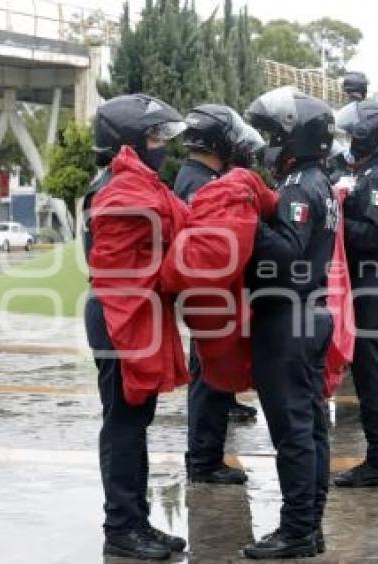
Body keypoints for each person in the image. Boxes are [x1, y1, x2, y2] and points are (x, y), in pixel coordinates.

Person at [84, 93, 188, 561]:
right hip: (117, 316)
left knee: (134, 421)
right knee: (123, 424)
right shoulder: (120, 189)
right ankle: (121, 527)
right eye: (152, 136)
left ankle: (137, 520)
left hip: (132, 310)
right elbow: (172, 228)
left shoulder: (130, 183)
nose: (161, 145)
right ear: (126, 140)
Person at [242, 86, 337, 559]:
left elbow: (287, 256)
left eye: (273, 134)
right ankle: (310, 523)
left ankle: (298, 528)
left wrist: (248, 219)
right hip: (311, 314)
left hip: (290, 316)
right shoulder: (317, 181)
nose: (268, 144)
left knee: (294, 429)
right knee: (311, 423)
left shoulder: (301, 186)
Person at [175, 104, 255, 486]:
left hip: (211, 294)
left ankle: (207, 456)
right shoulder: (201, 183)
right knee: (208, 377)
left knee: (212, 375)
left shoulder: (196, 176)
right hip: (211, 295)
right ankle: (204, 461)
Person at [333, 99, 378, 488]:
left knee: (373, 377)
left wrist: (338, 218)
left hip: (374, 287)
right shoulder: (373, 173)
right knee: (369, 376)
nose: (348, 142)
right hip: (368, 285)